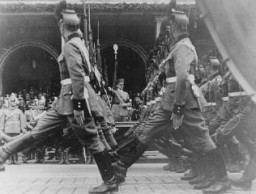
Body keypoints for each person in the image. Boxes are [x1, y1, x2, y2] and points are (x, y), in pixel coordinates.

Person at [112, 9, 230, 194]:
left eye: (170, 27)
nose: (168, 30)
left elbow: (182, 78)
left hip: (183, 102)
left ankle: (222, 180)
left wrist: (178, 108)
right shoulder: (179, 46)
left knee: (201, 140)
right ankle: (119, 167)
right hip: (170, 101)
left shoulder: (183, 46)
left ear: (175, 27)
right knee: (147, 132)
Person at [0, 9, 117, 193]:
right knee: (38, 130)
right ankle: (4, 153)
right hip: (64, 102)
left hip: (75, 101)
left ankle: (110, 180)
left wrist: (78, 105)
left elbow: (77, 75)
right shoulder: (79, 43)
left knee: (92, 140)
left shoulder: (71, 45)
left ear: (62, 26)